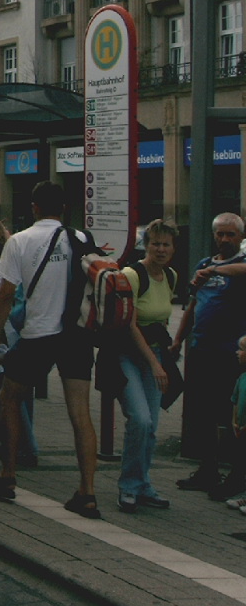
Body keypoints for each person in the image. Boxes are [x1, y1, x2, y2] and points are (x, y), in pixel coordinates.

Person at [0, 181, 102, 519]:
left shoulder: (19, 240)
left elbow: (6, 294)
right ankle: (87, 492)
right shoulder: (80, 238)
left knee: (10, 397)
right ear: (64, 208)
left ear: (33, 207)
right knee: (80, 413)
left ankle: (7, 474)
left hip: (39, 335)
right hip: (76, 336)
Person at [171, 212, 246, 500]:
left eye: (230, 234)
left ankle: (237, 475)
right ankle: (208, 470)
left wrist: (216, 272)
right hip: (201, 350)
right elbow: (191, 306)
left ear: (240, 237)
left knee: (231, 417)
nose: (224, 239)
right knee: (203, 414)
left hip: (231, 354)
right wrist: (178, 340)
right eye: (220, 234)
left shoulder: (238, 265)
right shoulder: (204, 264)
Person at [110, 219, 178, 513]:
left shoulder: (170, 276)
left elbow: (161, 319)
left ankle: (143, 483)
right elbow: (131, 324)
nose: (160, 250)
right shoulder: (132, 274)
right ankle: (127, 486)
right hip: (128, 355)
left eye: (166, 244)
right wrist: (155, 364)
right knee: (139, 419)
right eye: (155, 243)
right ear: (146, 245)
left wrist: (165, 355)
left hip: (154, 356)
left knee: (151, 425)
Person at [0, 219, 39, 466]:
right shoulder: (16, 263)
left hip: (4, 332)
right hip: (24, 329)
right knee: (25, 391)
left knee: (7, 388)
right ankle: (24, 442)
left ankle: (24, 445)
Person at [223, 334, 246, 513]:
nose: (237, 353)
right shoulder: (241, 378)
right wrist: (235, 422)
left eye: (242, 350)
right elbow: (235, 401)